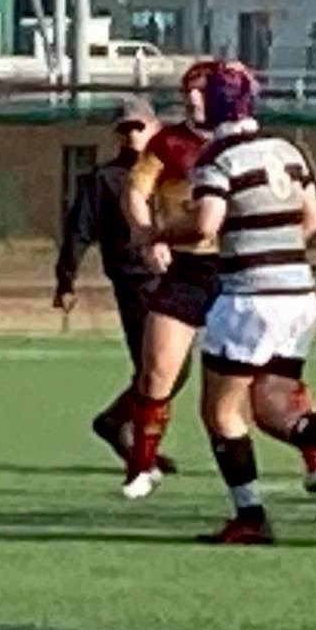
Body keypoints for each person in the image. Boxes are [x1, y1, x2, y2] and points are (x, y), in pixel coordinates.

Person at [159, 63, 316, 543]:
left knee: (221, 413)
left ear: (215, 105)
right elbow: (314, 218)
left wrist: (158, 233)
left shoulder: (219, 156)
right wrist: (279, 249)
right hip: (297, 295)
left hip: (250, 299)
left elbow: (205, 225)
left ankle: (250, 518)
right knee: (274, 410)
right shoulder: (287, 149)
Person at [54, 98, 177, 472]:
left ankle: (119, 425)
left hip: (175, 279)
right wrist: (66, 280)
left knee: (170, 369)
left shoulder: (172, 171)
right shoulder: (105, 178)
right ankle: (137, 447)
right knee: (154, 366)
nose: (131, 135)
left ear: (155, 128)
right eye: (124, 129)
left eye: (138, 127)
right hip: (135, 281)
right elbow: (79, 231)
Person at [117, 62, 220, 499]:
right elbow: (135, 192)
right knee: (157, 371)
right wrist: (146, 237)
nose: (193, 100)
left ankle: (313, 461)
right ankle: (142, 467)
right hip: (187, 270)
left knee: (262, 380)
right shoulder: (167, 143)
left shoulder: (246, 145)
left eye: (203, 91)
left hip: (237, 271)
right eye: (187, 92)